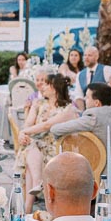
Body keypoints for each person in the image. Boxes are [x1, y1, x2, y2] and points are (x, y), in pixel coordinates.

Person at [48, 83, 111, 210]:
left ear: (97, 103)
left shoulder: (93, 116)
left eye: (87, 97)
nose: (84, 99)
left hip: (102, 173)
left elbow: (56, 129)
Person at [16, 73, 79, 212]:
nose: (42, 87)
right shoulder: (38, 104)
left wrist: (25, 132)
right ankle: (36, 188)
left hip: (57, 147)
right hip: (36, 143)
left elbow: (47, 125)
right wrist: (23, 133)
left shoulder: (68, 108)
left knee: (30, 156)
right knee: (31, 147)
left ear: (54, 87)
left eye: (46, 84)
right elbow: (28, 123)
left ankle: (27, 207)